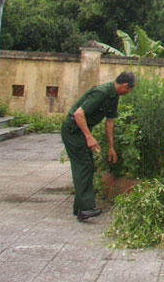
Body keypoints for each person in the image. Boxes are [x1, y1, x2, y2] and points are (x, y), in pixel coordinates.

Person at [60, 71, 136, 222]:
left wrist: (111, 147)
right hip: (73, 130)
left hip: (81, 130)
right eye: (130, 89)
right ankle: (84, 209)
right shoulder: (101, 92)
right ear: (125, 85)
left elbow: (109, 123)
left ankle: (81, 208)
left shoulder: (114, 97)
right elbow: (78, 114)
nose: (129, 92)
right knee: (84, 165)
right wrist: (89, 137)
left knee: (87, 165)